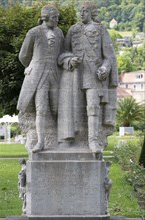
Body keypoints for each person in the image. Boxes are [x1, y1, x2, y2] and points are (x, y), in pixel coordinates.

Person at [58, 2, 118, 153]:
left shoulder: (100, 29)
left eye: (85, 11)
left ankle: (93, 141)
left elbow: (109, 56)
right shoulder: (73, 30)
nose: (82, 14)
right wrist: (70, 60)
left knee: (93, 107)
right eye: (80, 11)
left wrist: (104, 68)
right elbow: (63, 53)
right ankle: (69, 139)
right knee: (73, 110)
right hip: (75, 76)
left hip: (93, 75)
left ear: (92, 13)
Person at [17, 5, 64, 153]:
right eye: (54, 17)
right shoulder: (34, 32)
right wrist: (32, 65)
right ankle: (40, 142)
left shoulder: (59, 33)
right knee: (41, 109)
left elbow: (63, 52)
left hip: (56, 75)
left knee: (58, 107)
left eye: (57, 17)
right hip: (39, 76)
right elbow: (23, 55)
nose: (57, 20)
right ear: (46, 18)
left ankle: (61, 139)